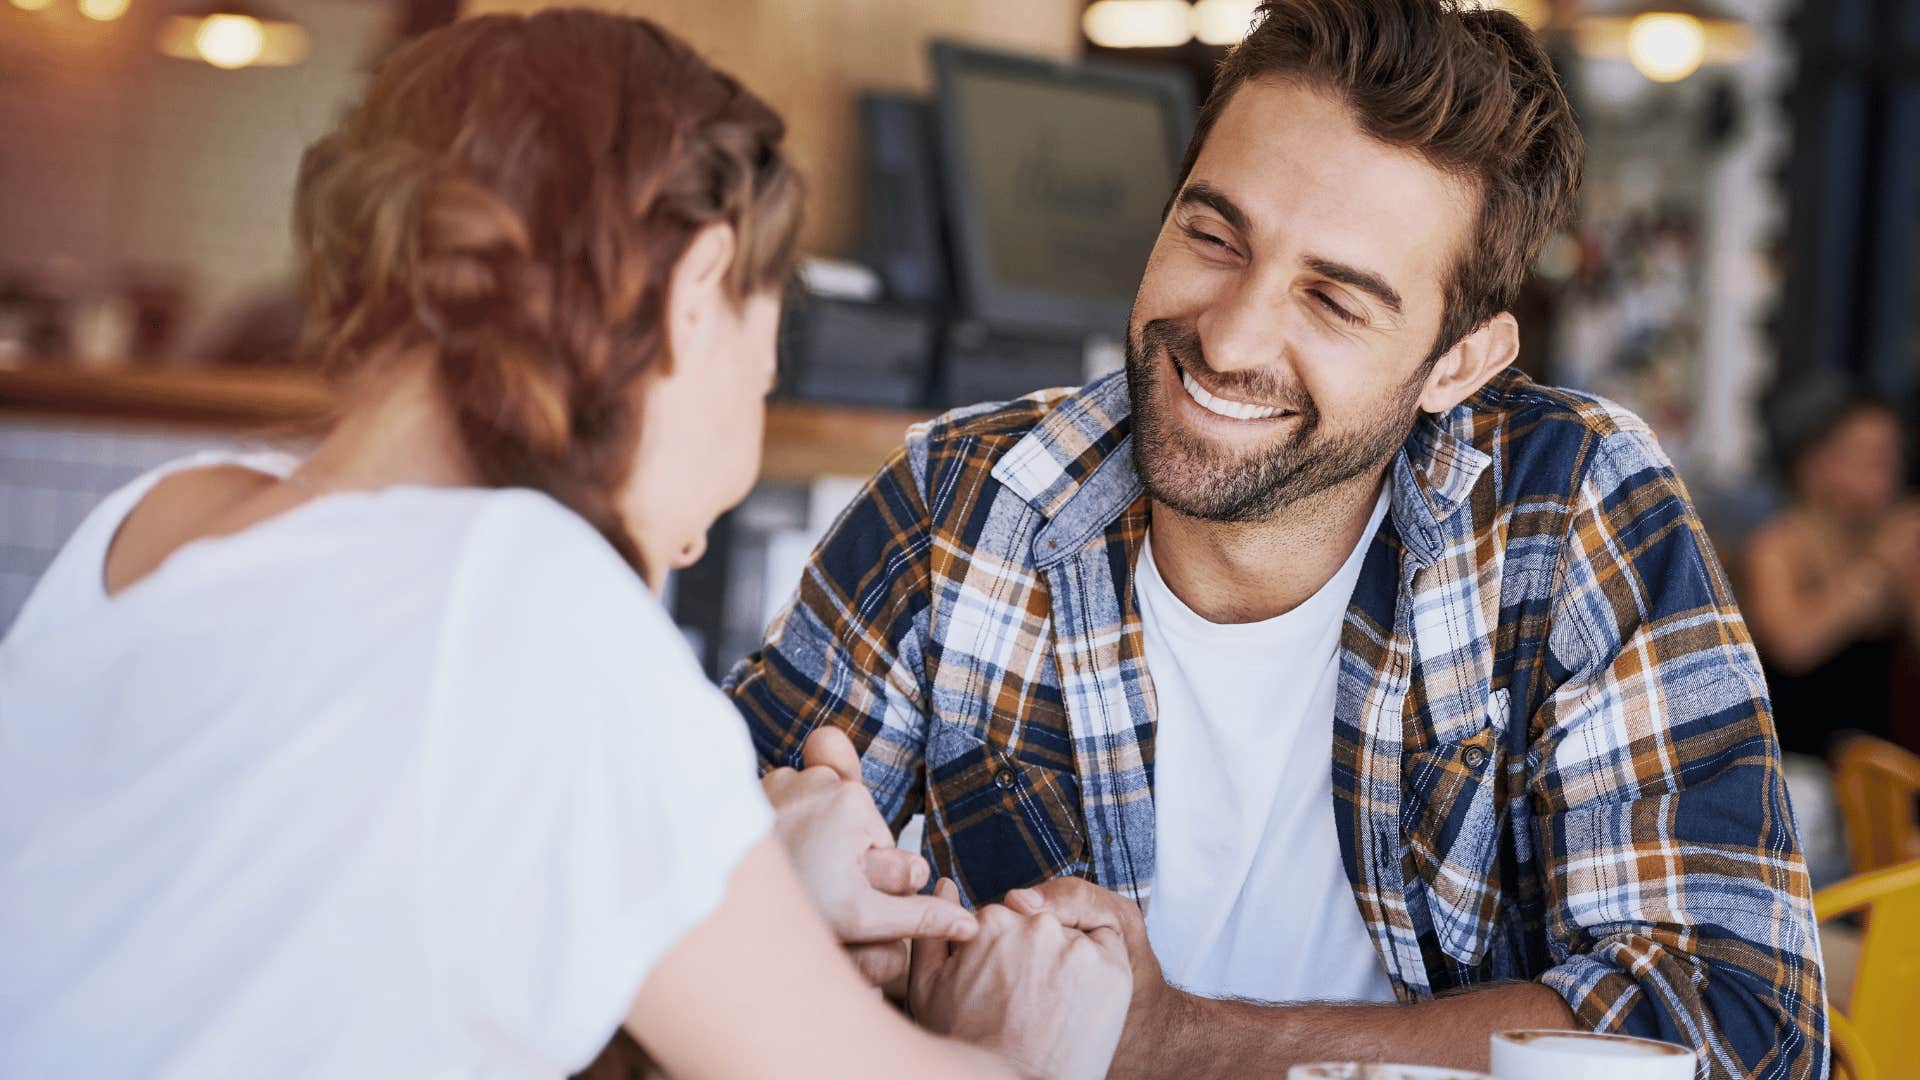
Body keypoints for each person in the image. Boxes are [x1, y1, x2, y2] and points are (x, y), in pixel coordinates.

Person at [0, 12, 1131, 1079]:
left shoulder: (159, 521)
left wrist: (746, 885)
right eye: (763, 363)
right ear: (698, 290)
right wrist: (1019, 1036)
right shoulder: (529, 599)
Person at [725, 1, 1826, 1076]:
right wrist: (785, 900)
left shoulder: (1570, 507)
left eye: (1335, 301)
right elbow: (661, 919)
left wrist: (1165, 1040)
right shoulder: (958, 505)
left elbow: (1736, 1023)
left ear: (1458, 364)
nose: (1233, 333)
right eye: (1214, 235)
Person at [1745, 386, 1920, 758]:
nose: (1885, 473)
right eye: (1868, 456)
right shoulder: (1779, 546)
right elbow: (1792, 644)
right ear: (1817, 465)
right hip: (1794, 762)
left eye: (1892, 457)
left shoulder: (1897, 536)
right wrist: (1876, 568)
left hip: (1881, 766)